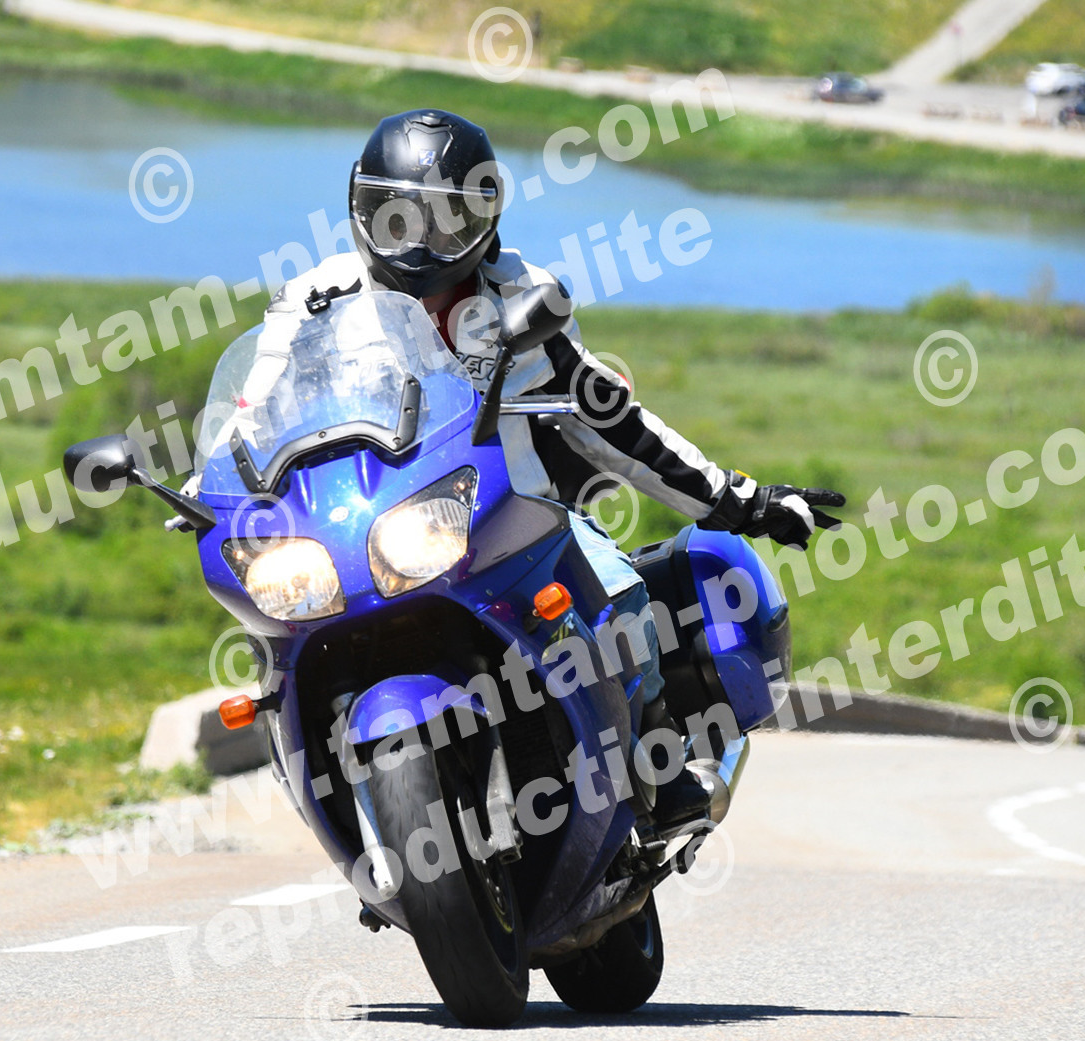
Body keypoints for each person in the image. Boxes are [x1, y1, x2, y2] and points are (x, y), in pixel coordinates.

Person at [256, 109, 841, 819]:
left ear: (486, 218)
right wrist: (207, 485)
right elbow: (255, 408)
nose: (422, 241)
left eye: (448, 219)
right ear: (361, 208)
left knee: (619, 592)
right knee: (283, 637)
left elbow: (609, 419)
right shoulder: (314, 301)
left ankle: (658, 764)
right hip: (371, 521)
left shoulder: (520, 292)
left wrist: (740, 499)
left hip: (514, 516)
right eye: (398, 218)